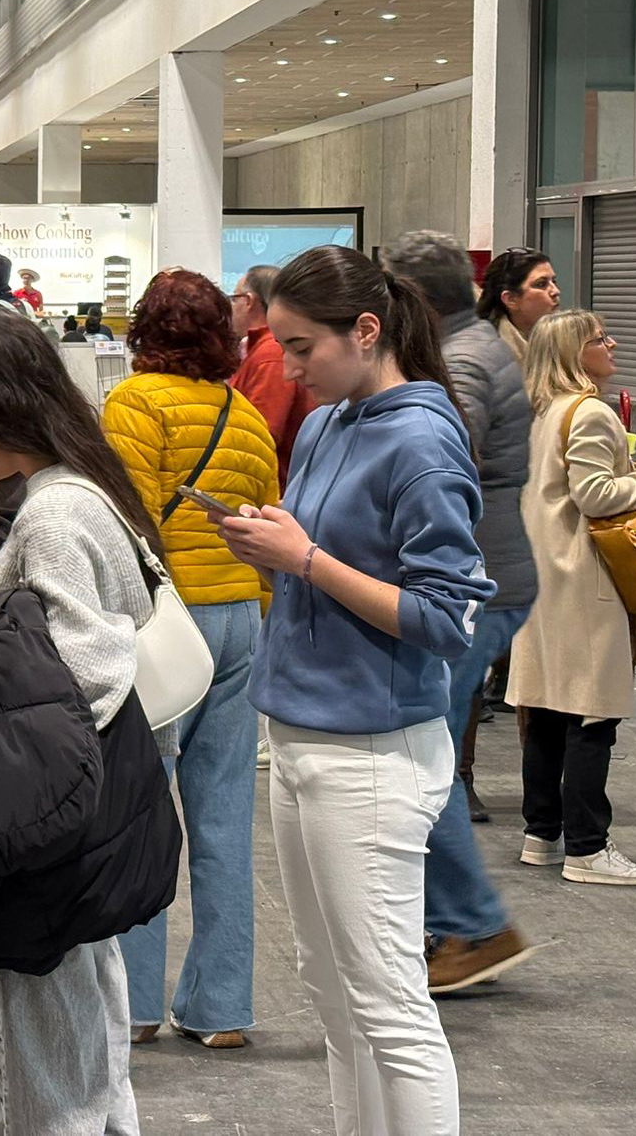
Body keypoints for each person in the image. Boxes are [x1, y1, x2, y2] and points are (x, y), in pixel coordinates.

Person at [214, 246, 490, 1134]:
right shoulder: (335, 419)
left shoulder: (422, 438)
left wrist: (306, 559)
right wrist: (282, 541)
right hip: (300, 737)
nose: (287, 368)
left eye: (302, 348)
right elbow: (328, 553)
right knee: (333, 996)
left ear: (366, 332)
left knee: (390, 1010)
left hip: (372, 754)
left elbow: (447, 621)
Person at [0, 306, 171, 1136]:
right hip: (99, 794)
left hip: (65, 809)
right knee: (84, 995)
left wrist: (25, 785)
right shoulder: (78, 488)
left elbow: (87, 670)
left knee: (52, 1016)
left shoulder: (51, 515)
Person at [102, 268, 280, 1051]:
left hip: (165, 625)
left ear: (145, 331)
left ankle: (136, 1003)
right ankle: (221, 1009)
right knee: (224, 817)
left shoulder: (133, 404)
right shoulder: (243, 412)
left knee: (141, 816)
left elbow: (124, 521)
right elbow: (268, 515)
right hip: (242, 618)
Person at [384, 230, 541, 988]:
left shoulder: (464, 361)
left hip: (477, 584)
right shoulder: (473, 346)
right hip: (489, 576)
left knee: (425, 759)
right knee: (427, 753)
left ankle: (474, 924)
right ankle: (446, 920)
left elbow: (446, 455)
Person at [508, 310, 636, 887]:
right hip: (585, 580)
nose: (611, 344)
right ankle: (588, 848)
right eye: (598, 339)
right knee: (593, 713)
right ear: (574, 354)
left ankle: (543, 834)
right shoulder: (591, 411)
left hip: (544, 578)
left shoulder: (542, 411)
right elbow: (597, 496)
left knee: (549, 708)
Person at [230, 264, 317, 479]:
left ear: (249, 301)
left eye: (234, 298)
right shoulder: (261, 350)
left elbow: (261, 435)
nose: (231, 307)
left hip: (270, 488)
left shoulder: (269, 355)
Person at [477, 248, 559, 363]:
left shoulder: (562, 342)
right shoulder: (485, 353)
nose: (555, 291)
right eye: (541, 284)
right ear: (511, 299)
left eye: (554, 282)